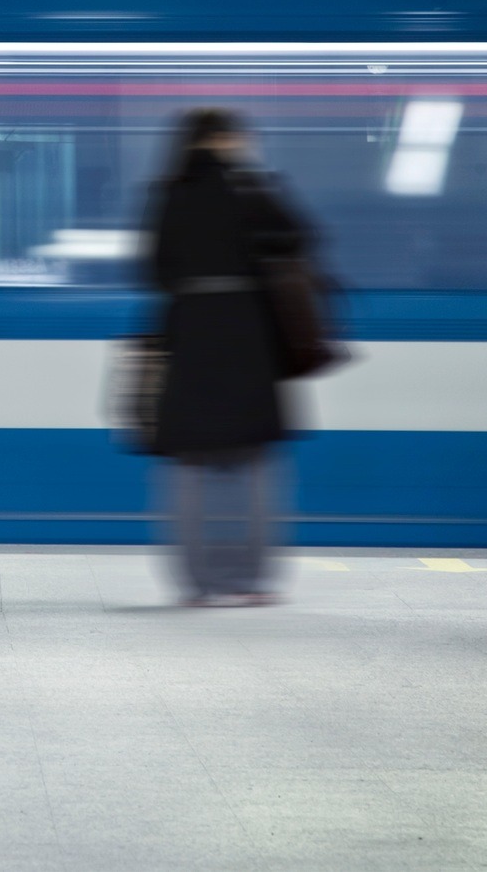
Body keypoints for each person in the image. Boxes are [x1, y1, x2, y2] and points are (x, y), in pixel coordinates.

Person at [141, 108, 313, 607]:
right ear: (222, 140)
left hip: (191, 334)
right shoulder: (248, 188)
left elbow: (154, 270)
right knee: (256, 461)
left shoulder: (169, 191)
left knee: (189, 465)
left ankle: (194, 583)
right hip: (248, 336)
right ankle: (253, 578)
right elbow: (297, 238)